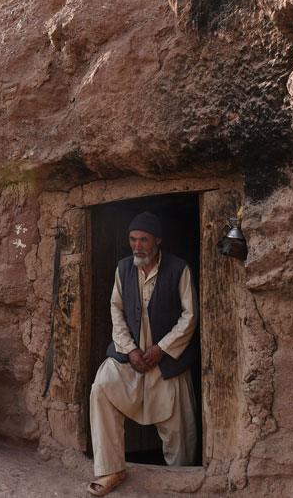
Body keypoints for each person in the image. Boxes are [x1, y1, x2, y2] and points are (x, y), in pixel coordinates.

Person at [88, 212, 199, 496]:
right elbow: (116, 310)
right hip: (132, 357)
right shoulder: (123, 268)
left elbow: (190, 316)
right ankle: (110, 469)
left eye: (143, 240)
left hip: (167, 359)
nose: (137, 246)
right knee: (102, 387)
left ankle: (179, 483)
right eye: (132, 239)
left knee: (177, 427)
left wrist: (162, 348)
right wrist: (131, 349)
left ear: (157, 241)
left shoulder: (178, 269)